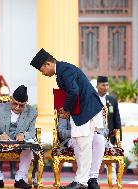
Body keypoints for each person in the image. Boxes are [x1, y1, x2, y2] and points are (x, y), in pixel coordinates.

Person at [30, 48, 104, 189]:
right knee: (80, 143)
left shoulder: (64, 70)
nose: (43, 73)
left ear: (47, 64)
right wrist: (66, 109)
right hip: (82, 111)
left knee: (83, 145)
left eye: (42, 70)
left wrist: (66, 109)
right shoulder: (62, 71)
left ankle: (82, 182)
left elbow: (73, 91)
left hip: (87, 110)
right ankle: (81, 180)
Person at [0, 85, 36, 189]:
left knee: (31, 143)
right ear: (11, 99)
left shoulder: (32, 111)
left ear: (25, 103)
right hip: (2, 141)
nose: (17, 107)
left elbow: (32, 131)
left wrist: (24, 135)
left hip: (20, 142)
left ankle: (20, 179)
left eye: (21, 105)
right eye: (15, 103)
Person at [58, 117, 107, 189]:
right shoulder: (66, 109)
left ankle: (92, 179)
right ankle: (80, 181)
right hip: (72, 138)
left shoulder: (95, 109)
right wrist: (79, 131)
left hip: (93, 136)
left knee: (100, 139)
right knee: (81, 137)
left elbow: (105, 131)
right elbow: (62, 133)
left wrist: (92, 131)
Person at [96, 76, 122, 184]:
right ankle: (92, 179)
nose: (105, 87)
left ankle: (114, 180)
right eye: (103, 85)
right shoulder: (92, 98)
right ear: (97, 86)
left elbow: (117, 119)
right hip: (95, 134)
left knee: (112, 158)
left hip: (109, 136)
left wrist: (118, 138)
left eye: (107, 85)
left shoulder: (112, 100)